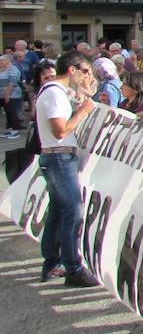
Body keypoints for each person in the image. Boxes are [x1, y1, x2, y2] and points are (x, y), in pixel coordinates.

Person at [34, 50, 99, 287]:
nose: (86, 77)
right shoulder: (55, 94)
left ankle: (52, 263)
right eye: (83, 71)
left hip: (56, 157)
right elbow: (60, 130)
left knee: (59, 211)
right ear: (71, 70)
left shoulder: (54, 91)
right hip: (59, 157)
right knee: (73, 211)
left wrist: (84, 97)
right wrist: (82, 112)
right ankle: (73, 267)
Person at [0, 53, 24, 138]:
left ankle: (15, 130)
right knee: (7, 113)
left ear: (7, 61)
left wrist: (7, 94)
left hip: (12, 95)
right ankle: (9, 129)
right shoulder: (2, 69)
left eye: (1, 60)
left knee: (12, 112)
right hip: (2, 95)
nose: (0, 62)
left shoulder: (13, 69)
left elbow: (12, 83)